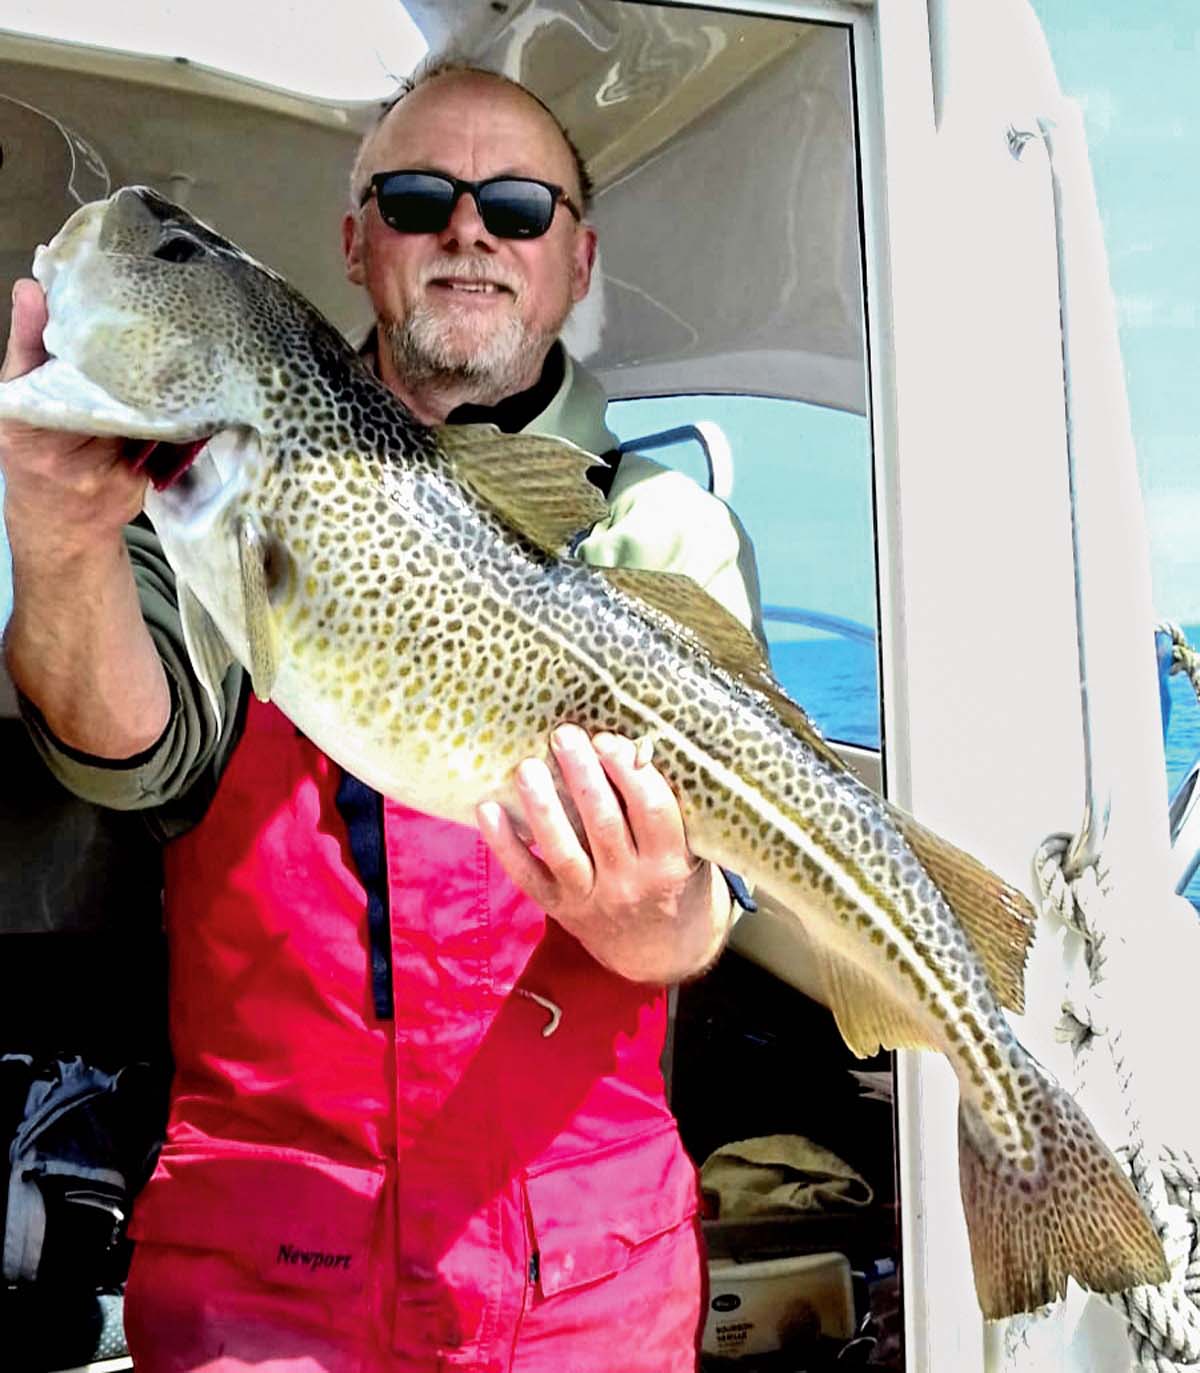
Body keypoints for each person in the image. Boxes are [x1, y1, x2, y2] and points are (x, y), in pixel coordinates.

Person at [0, 62, 764, 1373]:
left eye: (520, 206)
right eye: (418, 197)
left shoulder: (665, 527)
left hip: (583, 1289)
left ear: (578, 261)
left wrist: (660, 918)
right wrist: (60, 551)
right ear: (356, 243)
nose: (470, 230)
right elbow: (129, 751)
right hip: (268, 1284)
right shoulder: (198, 475)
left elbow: (719, 889)